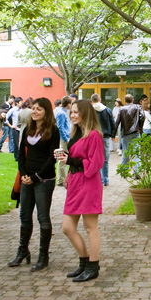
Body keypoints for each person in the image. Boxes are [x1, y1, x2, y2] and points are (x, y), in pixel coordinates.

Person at [9, 98, 60, 272]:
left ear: (47, 111)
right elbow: (21, 154)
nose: (35, 112)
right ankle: (23, 250)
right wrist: (24, 174)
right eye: (33, 109)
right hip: (27, 178)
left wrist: (36, 177)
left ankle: (43, 256)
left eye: (39, 109)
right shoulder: (27, 129)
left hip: (43, 179)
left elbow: (52, 157)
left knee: (43, 218)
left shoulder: (53, 130)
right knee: (24, 215)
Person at [59, 99, 106, 282]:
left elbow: (96, 164)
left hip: (88, 183)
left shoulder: (94, 135)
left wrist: (70, 161)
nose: (73, 115)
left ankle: (93, 266)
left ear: (86, 113)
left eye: (76, 112)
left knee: (90, 226)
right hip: (75, 182)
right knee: (67, 227)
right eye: (71, 112)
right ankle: (84, 262)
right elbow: (75, 159)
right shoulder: (76, 133)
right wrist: (69, 174)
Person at [92, 94, 115, 186]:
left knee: (95, 158)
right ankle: (105, 179)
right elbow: (112, 123)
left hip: (94, 136)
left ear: (92, 101)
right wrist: (113, 134)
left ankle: (98, 180)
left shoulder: (90, 111)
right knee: (105, 159)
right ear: (100, 99)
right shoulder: (108, 110)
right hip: (105, 136)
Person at [116, 94, 145, 165]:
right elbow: (142, 117)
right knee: (136, 153)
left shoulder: (121, 109)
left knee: (125, 152)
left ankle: (124, 171)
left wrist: (113, 134)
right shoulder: (138, 107)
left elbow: (117, 122)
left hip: (125, 133)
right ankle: (137, 171)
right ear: (133, 100)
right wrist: (140, 128)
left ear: (125, 101)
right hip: (135, 132)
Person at [55, 97, 72, 186]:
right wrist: (66, 139)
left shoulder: (62, 112)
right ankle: (61, 179)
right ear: (68, 104)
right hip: (63, 139)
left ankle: (62, 178)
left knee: (64, 157)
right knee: (63, 158)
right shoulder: (61, 113)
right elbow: (60, 127)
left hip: (65, 137)